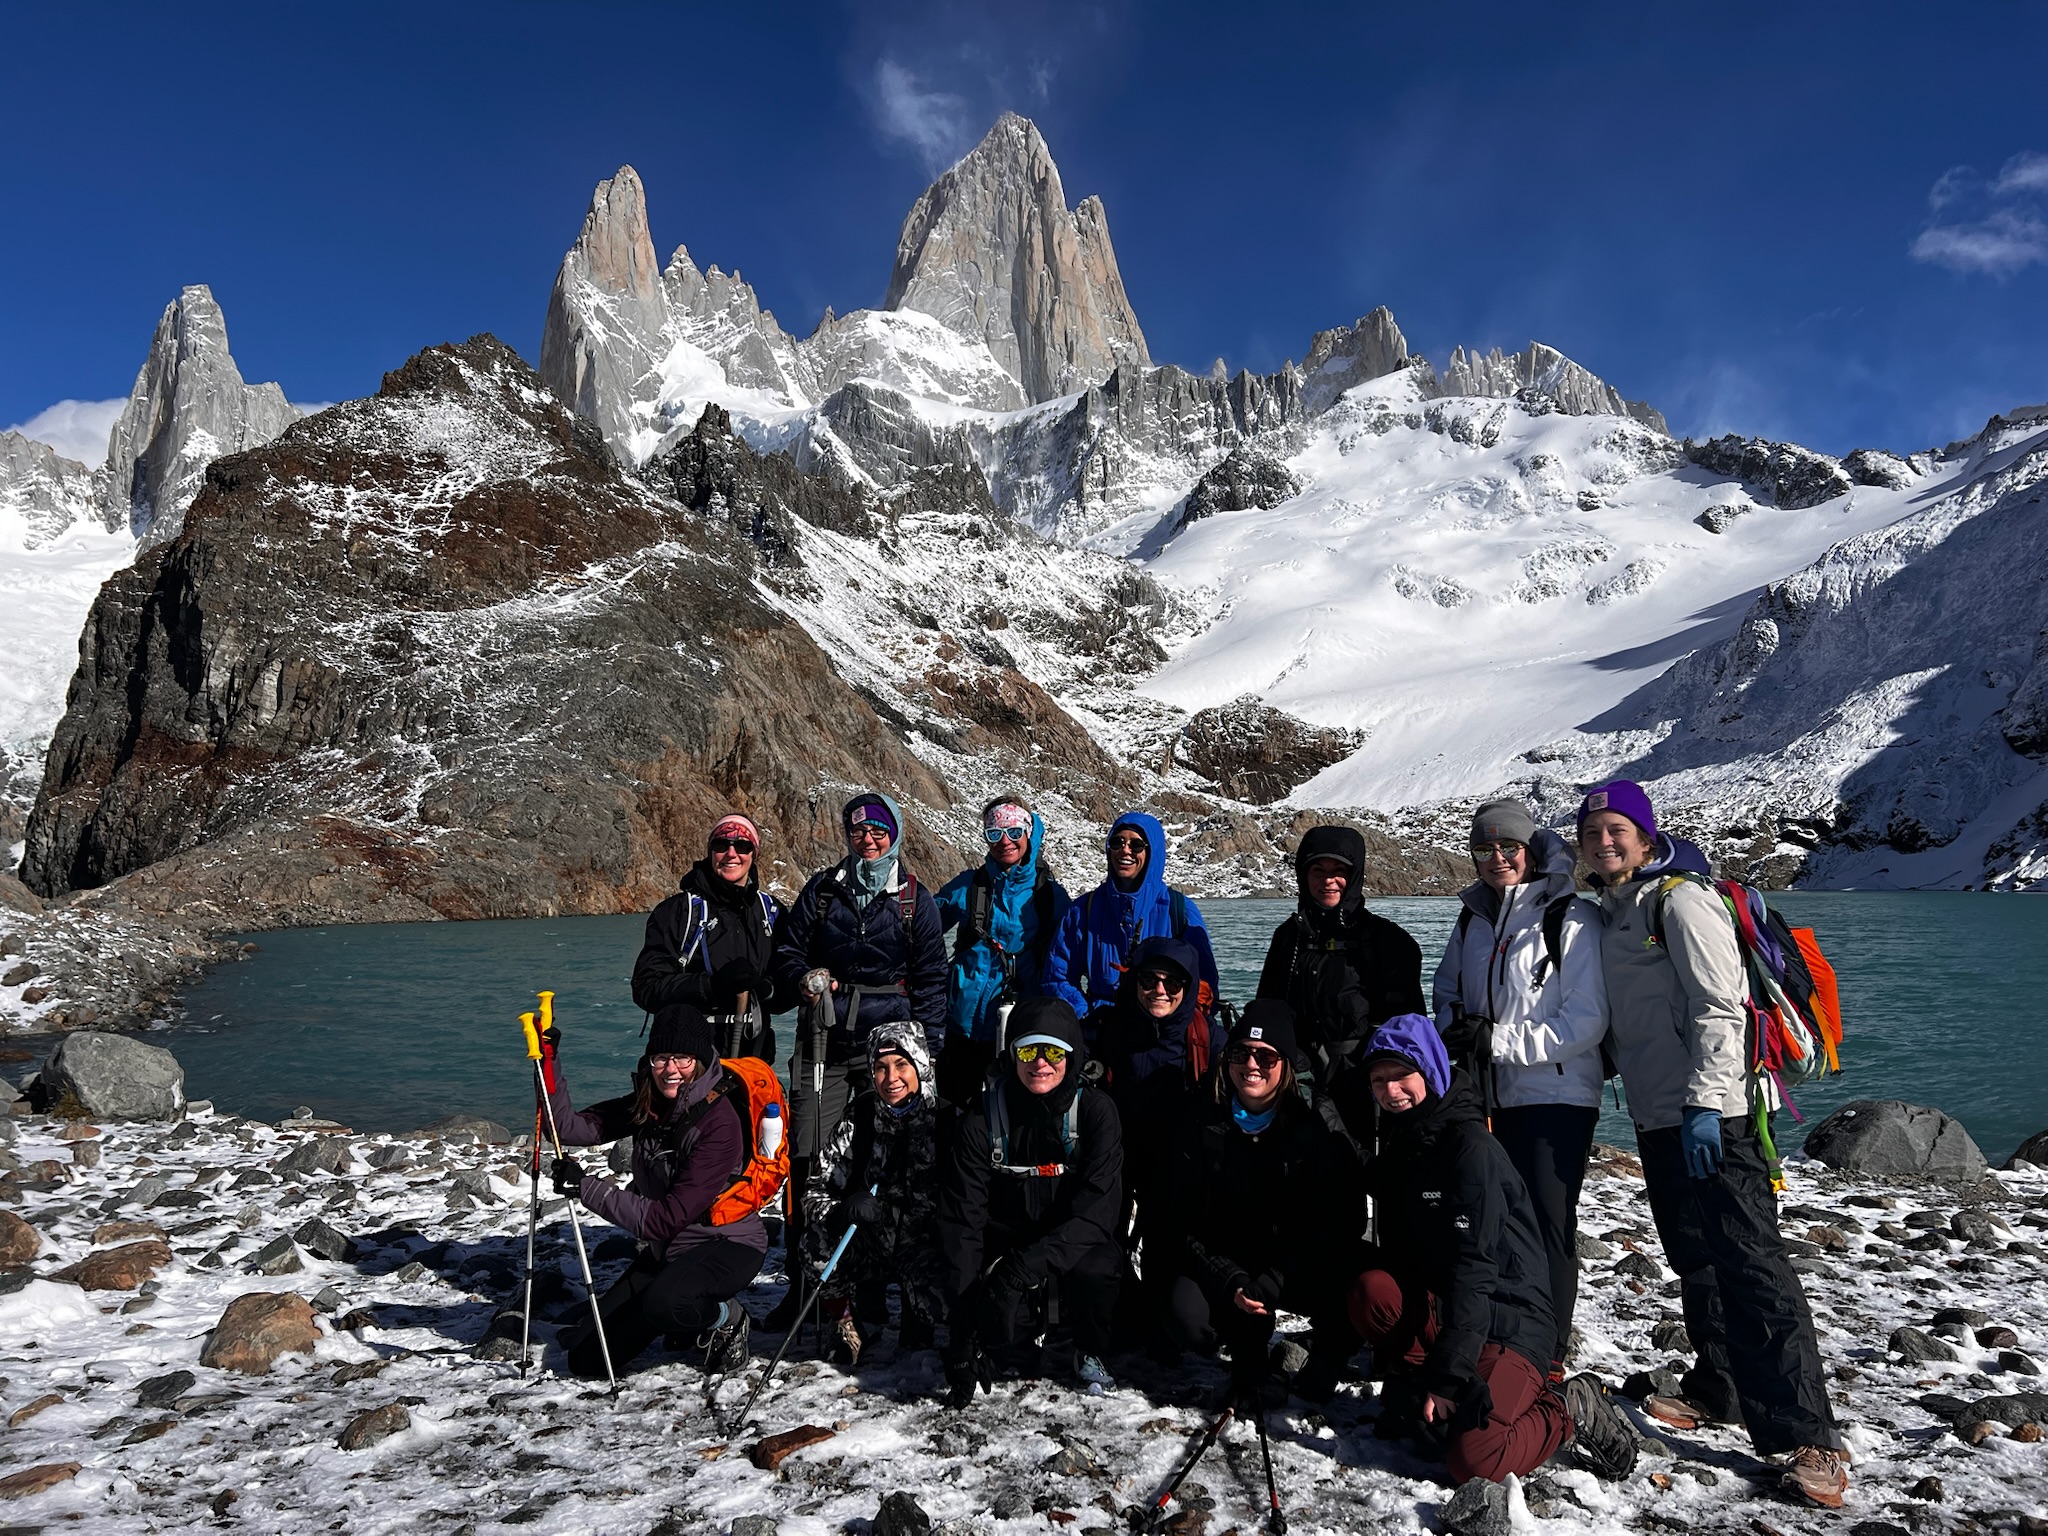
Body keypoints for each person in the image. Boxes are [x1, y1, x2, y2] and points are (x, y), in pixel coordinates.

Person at [1579, 779, 1848, 1509]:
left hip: (1717, 1114)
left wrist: (1705, 1104)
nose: (1605, 842)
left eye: (1617, 830)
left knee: (1753, 1263)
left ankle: (1810, 1437)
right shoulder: (1616, 907)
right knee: (1695, 1256)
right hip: (1658, 1115)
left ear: (1644, 832)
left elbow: (1719, 1007)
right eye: (1593, 832)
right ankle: (1720, 1387)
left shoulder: (1682, 899)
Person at [1347, 1015, 1635, 1486]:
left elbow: (1474, 1270)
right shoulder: (1408, 1140)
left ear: (1431, 1071)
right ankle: (1439, 1394)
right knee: (1371, 1290)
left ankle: (1568, 1408)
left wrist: (1449, 1376)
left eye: (1401, 1075)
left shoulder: (1469, 1150)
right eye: (1378, 1080)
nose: (1389, 1090)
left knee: (1474, 1462)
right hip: (1457, 1310)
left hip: (1511, 1320)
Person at [1432, 799, 1609, 1377]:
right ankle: (1503, 1334)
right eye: (1483, 849)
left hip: (1554, 1097)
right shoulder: (1473, 919)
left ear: (1531, 849)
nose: (1496, 858)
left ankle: (1549, 1353)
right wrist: (1454, 1032)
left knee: (1547, 1223)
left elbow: (1586, 1022)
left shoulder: (1569, 918)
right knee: (1492, 1216)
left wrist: (1499, 1042)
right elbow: (1447, 988)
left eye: (1507, 846)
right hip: (1486, 1095)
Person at [767, 791, 948, 1330]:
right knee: (807, 1162)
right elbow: (787, 951)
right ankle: (807, 1286)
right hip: (823, 1044)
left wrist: (928, 1054)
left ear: (894, 834)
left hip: (888, 1054)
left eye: (878, 830)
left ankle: (868, 1286)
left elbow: (933, 980)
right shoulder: (823, 891)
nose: (867, 839)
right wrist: (802, 977)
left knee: (877, 1161)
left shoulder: (916, 901)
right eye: (857, 830)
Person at [1161, 999, 1364, 1406]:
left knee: (1353, 1277)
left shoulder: (1315, 1119)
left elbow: (1343, 1218)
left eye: (1266, 1056)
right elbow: (1180, 1218)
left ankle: (1327, 1356)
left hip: (1297, 1261)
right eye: (1240, 1053)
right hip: (1232, 1257)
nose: (1251, 1065)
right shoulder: (1205, 1116)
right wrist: (1229, 1278)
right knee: (1184, 1315)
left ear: (1285, 1064)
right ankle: (1242, 1345)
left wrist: (1277, 1277)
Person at [544, 1003, 761, 1378]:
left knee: (668, 1304)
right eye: (661, 1058)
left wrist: (586, 1188)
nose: (671, 1069)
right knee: (587, 1360)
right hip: (669, 1252)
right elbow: (565, 1129)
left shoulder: (719, 1123)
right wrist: (547, 1060)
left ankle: (727, 1319)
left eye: (682, 1058)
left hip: (725, 1244)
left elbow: (664, 1220)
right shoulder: (648, 1104)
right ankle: (680, 1311)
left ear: (702, 1059)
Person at [937, 996, 1124, 1404]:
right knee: (1004, 1337)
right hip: (1005, 1247)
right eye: (1028, 1050)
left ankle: (1088, 1345)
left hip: (1073, 1248)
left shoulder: (1096, 1113)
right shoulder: (981, 1119)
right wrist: (963, 1335)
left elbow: (1098, 1215)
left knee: (1100, 1271)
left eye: (1054, 1051)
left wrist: (1022, 1272)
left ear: (1071, 1055)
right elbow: (962, 1222)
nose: (1040, 1063)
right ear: (1012, 1055)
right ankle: (1012, 1332)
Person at [1094, 934, 1226, 1348]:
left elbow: (1248, 1080)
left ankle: (1159, 1321)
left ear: (1188, 989)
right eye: (1149, 980)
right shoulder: (1110, 1025)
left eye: (1173, 984)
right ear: (1133, 980)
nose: (1160, 991)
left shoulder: (1207, 1037)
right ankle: (1111, 1312)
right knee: (1106, 1236)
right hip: (1117, 1153)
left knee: (1165, 1245)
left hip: (1176, 1159)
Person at [1255, 824, 1425, 1132]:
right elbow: (1266, 1011)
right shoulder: (1287, 938)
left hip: (1367, 1088)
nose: (1328, 880)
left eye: (1339, 870)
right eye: (1317, 870)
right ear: (1303, 876)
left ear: (1355, 874)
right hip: (1298, 1082)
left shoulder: (1389, 941)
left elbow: (1411, 1030)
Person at [801, 1022, 947, 1363]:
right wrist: (841, 1210)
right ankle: (847, 1324)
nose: (891, 1078)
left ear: (921, 1066)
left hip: (924, 1248)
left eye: (901, 1066)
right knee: (814, 1245)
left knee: (936, 1314)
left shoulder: (946, 1118)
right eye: (880, 1068)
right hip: (870, 1242)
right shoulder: (860, 1115)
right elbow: (813, 1190)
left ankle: (917, 1312)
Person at [934, 796, 1072, 1103]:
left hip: (1022, 1030)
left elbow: (1073, 954)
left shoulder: (1050, 896)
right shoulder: (968, 886)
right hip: (961, 1026)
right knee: (955, 1114)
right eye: (995, 834)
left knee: (1014, 1116)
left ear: (1028, 833)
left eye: (1013, 832)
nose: (1005, 842)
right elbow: (923, 931)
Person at [1043, 811, 1219, 1048]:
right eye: (1117, 842)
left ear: (1152, 853)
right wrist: (1085, 1013)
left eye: (1136, 845)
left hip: (1162, 1037)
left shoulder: (1179, 911)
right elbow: (1058, 975)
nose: (1125, 851)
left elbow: (1204, 985)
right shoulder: (1084, 910)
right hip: (1102, 1033)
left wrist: (1172, 1022)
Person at [633, 812, 785, 1061]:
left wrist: (769, 989)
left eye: (743, 846)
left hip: (753, 1060)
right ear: (710, 852)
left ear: (754, 854)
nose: (731, 854)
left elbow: (784, 987)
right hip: (689, 1062)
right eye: (721, 845)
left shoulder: (772, 913)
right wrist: (712, 985)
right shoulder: (678, 912)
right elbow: (646, 988)